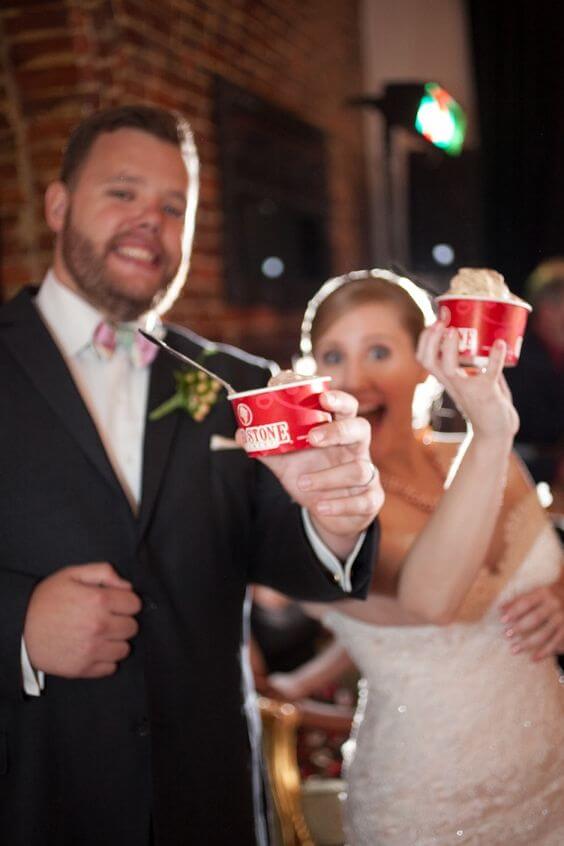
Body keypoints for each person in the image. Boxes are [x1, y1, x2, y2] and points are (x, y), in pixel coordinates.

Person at [0, 107, 384, 846]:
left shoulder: (241, 384)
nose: (151, 221)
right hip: (36, 794)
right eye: (123, 193)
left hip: (206, 800)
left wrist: (337, 517)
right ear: (57, 204)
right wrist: (15, 626)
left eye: (174, 207)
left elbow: (293, 556)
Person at [269, 268, 564, 845]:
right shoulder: (328, 505)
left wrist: (558, 595)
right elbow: (430, 604)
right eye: (333, 356)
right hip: (432, 800)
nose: (355, 378)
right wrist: (491, 430)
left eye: (379, 351)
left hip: (552, 774)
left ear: (429, 358)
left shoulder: (481, 457)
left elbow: (547, 558)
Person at [505, 257, 564, 488]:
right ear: (548, 310)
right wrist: (555, 468)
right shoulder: (514, 360)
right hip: (524, 490)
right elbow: (510, 448)